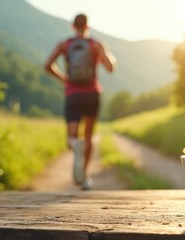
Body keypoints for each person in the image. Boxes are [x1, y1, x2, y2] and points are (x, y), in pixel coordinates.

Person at [44, 13, 116, 190]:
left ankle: (75, 145)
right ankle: (84, 175)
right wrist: (106, 55)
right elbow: (110, 68)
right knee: (89, 136)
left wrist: (64, 78)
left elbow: (47, 65)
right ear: (88, 27)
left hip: (73, 94)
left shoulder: (64, 44)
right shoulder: (96, 44)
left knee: (73, 136)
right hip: (92, 94)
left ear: (72, 26)